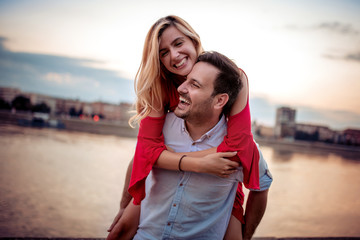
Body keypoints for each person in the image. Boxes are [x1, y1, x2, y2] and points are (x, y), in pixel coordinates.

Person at [107, 15, 271, 239]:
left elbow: (240, 147)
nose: (174, 56)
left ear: (194, 41)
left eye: (178, 43)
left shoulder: (231, 78)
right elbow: (144, 152)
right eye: (163, 52)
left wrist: (177, 158)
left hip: (221, 180)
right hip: (182, 167)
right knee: (122, 229)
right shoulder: (160, 86)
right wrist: (125, 204)